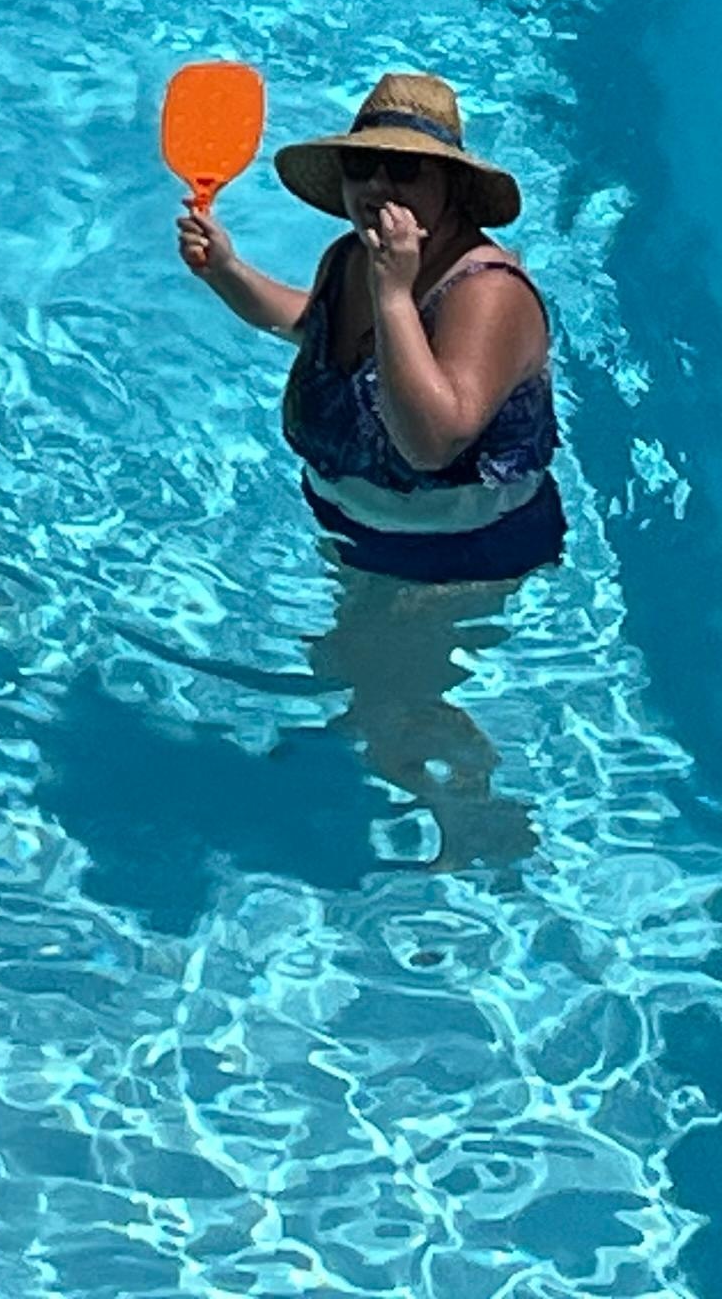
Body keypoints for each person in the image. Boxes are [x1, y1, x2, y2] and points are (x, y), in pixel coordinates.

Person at [176, 69, 559, 866]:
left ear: (451, 187)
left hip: (455, 560)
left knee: (400, 693)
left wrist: (394, 295)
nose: (378, 186)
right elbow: (307, 327)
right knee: (353, 665)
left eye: (405, 170)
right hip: (360, 535)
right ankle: (406, 748)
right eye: (363, 167)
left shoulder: (488, 294)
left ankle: (476, 812)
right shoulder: (354, 258)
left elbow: (434, 439)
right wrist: (228, 273)